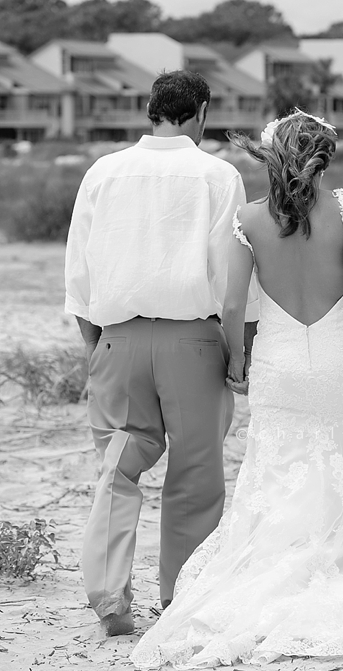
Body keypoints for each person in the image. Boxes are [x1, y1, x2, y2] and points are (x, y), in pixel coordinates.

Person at [131, 109, 343, 669]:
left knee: (275, 472)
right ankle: (327, 578)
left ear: (272, 158)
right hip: (340, 356)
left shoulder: (248, 219)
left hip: (278, 359)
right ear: (326, 156)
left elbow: (230, 305)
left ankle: (268, 580)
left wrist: (236, 361)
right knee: (341, 467)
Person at [64, 71, 259, 637]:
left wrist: (98, 346)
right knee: (196, 474)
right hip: (193, 341)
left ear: (151, 111)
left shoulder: (102, 171)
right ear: (199, 112)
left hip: (117, 337)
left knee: (118, 468)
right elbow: (231, 277)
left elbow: (79, 271)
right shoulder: (218, 175)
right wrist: (238, 353)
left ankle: (110, 600)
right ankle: (181, 600)